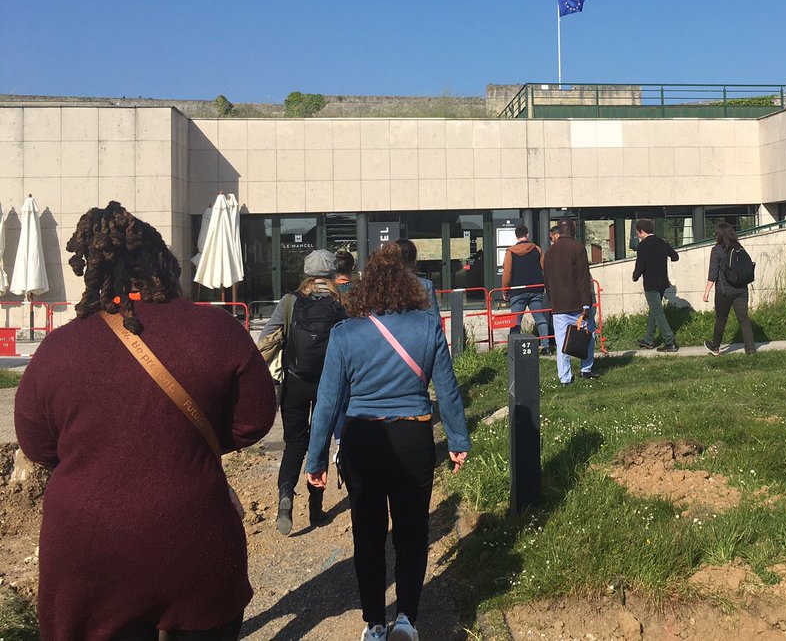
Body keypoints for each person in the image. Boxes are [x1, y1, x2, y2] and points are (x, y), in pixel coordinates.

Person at [14, 202, 276, 641]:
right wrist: (184, 445)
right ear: (164, 265)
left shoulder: (58, 349)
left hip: (85, 552)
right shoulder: (217, 329)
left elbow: (37, 446)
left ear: (92, 272)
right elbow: (255, 420)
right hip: (194, 537)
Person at [305, 242, 470, 641]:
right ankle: (407, 620)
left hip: (363, 437)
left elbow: (328, 403)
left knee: (368, 533)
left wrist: (316, 460)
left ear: (367, 289)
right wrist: (458, 439)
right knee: (413, 531)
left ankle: (374, 623)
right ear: (409, 286)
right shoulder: (427, 326)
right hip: (413, 434)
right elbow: (446, 390)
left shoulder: (345, 334)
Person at [259, 249, 347, 534]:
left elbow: (267, 341)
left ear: (306, 274)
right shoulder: (341, 302)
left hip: (295, 383)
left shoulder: (289, 302)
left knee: (295, 443)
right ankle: (316, 508)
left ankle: (285, 496)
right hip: (329, 385)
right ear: (333, 275)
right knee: (319, 442)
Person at [542, 217, 596, 384]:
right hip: (578, 304)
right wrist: (586, 305)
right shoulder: (577, 248)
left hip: (558, 306)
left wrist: (552, 301)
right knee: (588, 336)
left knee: (561, 343)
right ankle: (586, 369)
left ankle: (565, 378)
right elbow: (583, 279)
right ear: (572, 228)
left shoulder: (550, 252)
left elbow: (547, 281)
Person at [703, 222, 756, 356]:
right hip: (741, 290)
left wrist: (707, 292)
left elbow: (713, 273)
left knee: (721, 318)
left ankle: (715, 347)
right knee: (744, 319)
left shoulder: (716, 250)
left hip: (724, 291)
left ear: (719, 235)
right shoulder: (739, 247)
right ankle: (750, 350)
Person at [502, 223, 552, 355]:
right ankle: (546, 346)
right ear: (527, 234)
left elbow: (507, 273)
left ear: (516, 236)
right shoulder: (537, 249)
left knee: (516, 320)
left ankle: (513, 349)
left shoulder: (510, 252)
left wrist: (505, 290)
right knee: (540, 318)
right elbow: (545, 268)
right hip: (536, 289)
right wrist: (546, 286)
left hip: (517, 290)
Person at [631, 217, 680, 352]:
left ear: (641, 231)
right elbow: (675, 256)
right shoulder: (662, 242)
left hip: (651, 283)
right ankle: (648, 340)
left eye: (637, 233)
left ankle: (670, 341)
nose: (637, 235)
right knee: (654, 311)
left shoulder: (642, 245)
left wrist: (635, 276)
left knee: (658, 312)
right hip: (663, 282)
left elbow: (640, 265)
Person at [396, 238, 441, 318]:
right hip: (420, 329)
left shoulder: (383, 285)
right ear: (414, 259)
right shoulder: (425, 285)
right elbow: (434, 319)